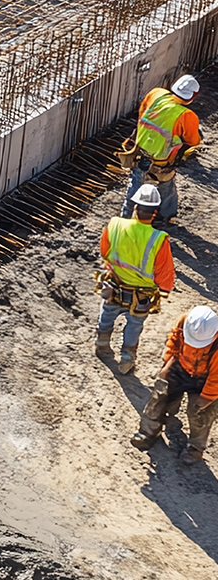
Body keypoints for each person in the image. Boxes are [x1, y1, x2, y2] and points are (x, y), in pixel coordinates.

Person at [95, 184, 175, 374]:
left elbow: (105, 251)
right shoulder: (158, 239)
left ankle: (102, 344)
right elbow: (164, 271)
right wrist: (165, 289)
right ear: (155, 212)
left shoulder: (115, 225)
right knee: (135, 324)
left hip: (114, 285)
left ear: (135, 207)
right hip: (141, 295)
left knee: (107, 314)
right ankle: (127, 359)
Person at [131, 306, 218, 463]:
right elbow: (173, 342)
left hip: (205, 380)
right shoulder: (185, 321)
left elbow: (216, 379)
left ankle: (196, 447)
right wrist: (167, 364)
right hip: (180, 367)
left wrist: (205, 399)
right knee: (160, 393)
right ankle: (149, 430)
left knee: (201, 412)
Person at [120, 73, 201, 224]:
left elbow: (142, 112)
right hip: (162, 159)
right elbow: (193, 141)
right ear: (193, 96)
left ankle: (126, 215)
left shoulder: (156, 94)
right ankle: (166, 215)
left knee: (135, 182)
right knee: (166, 184)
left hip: (139, 149)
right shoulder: (187, 116)